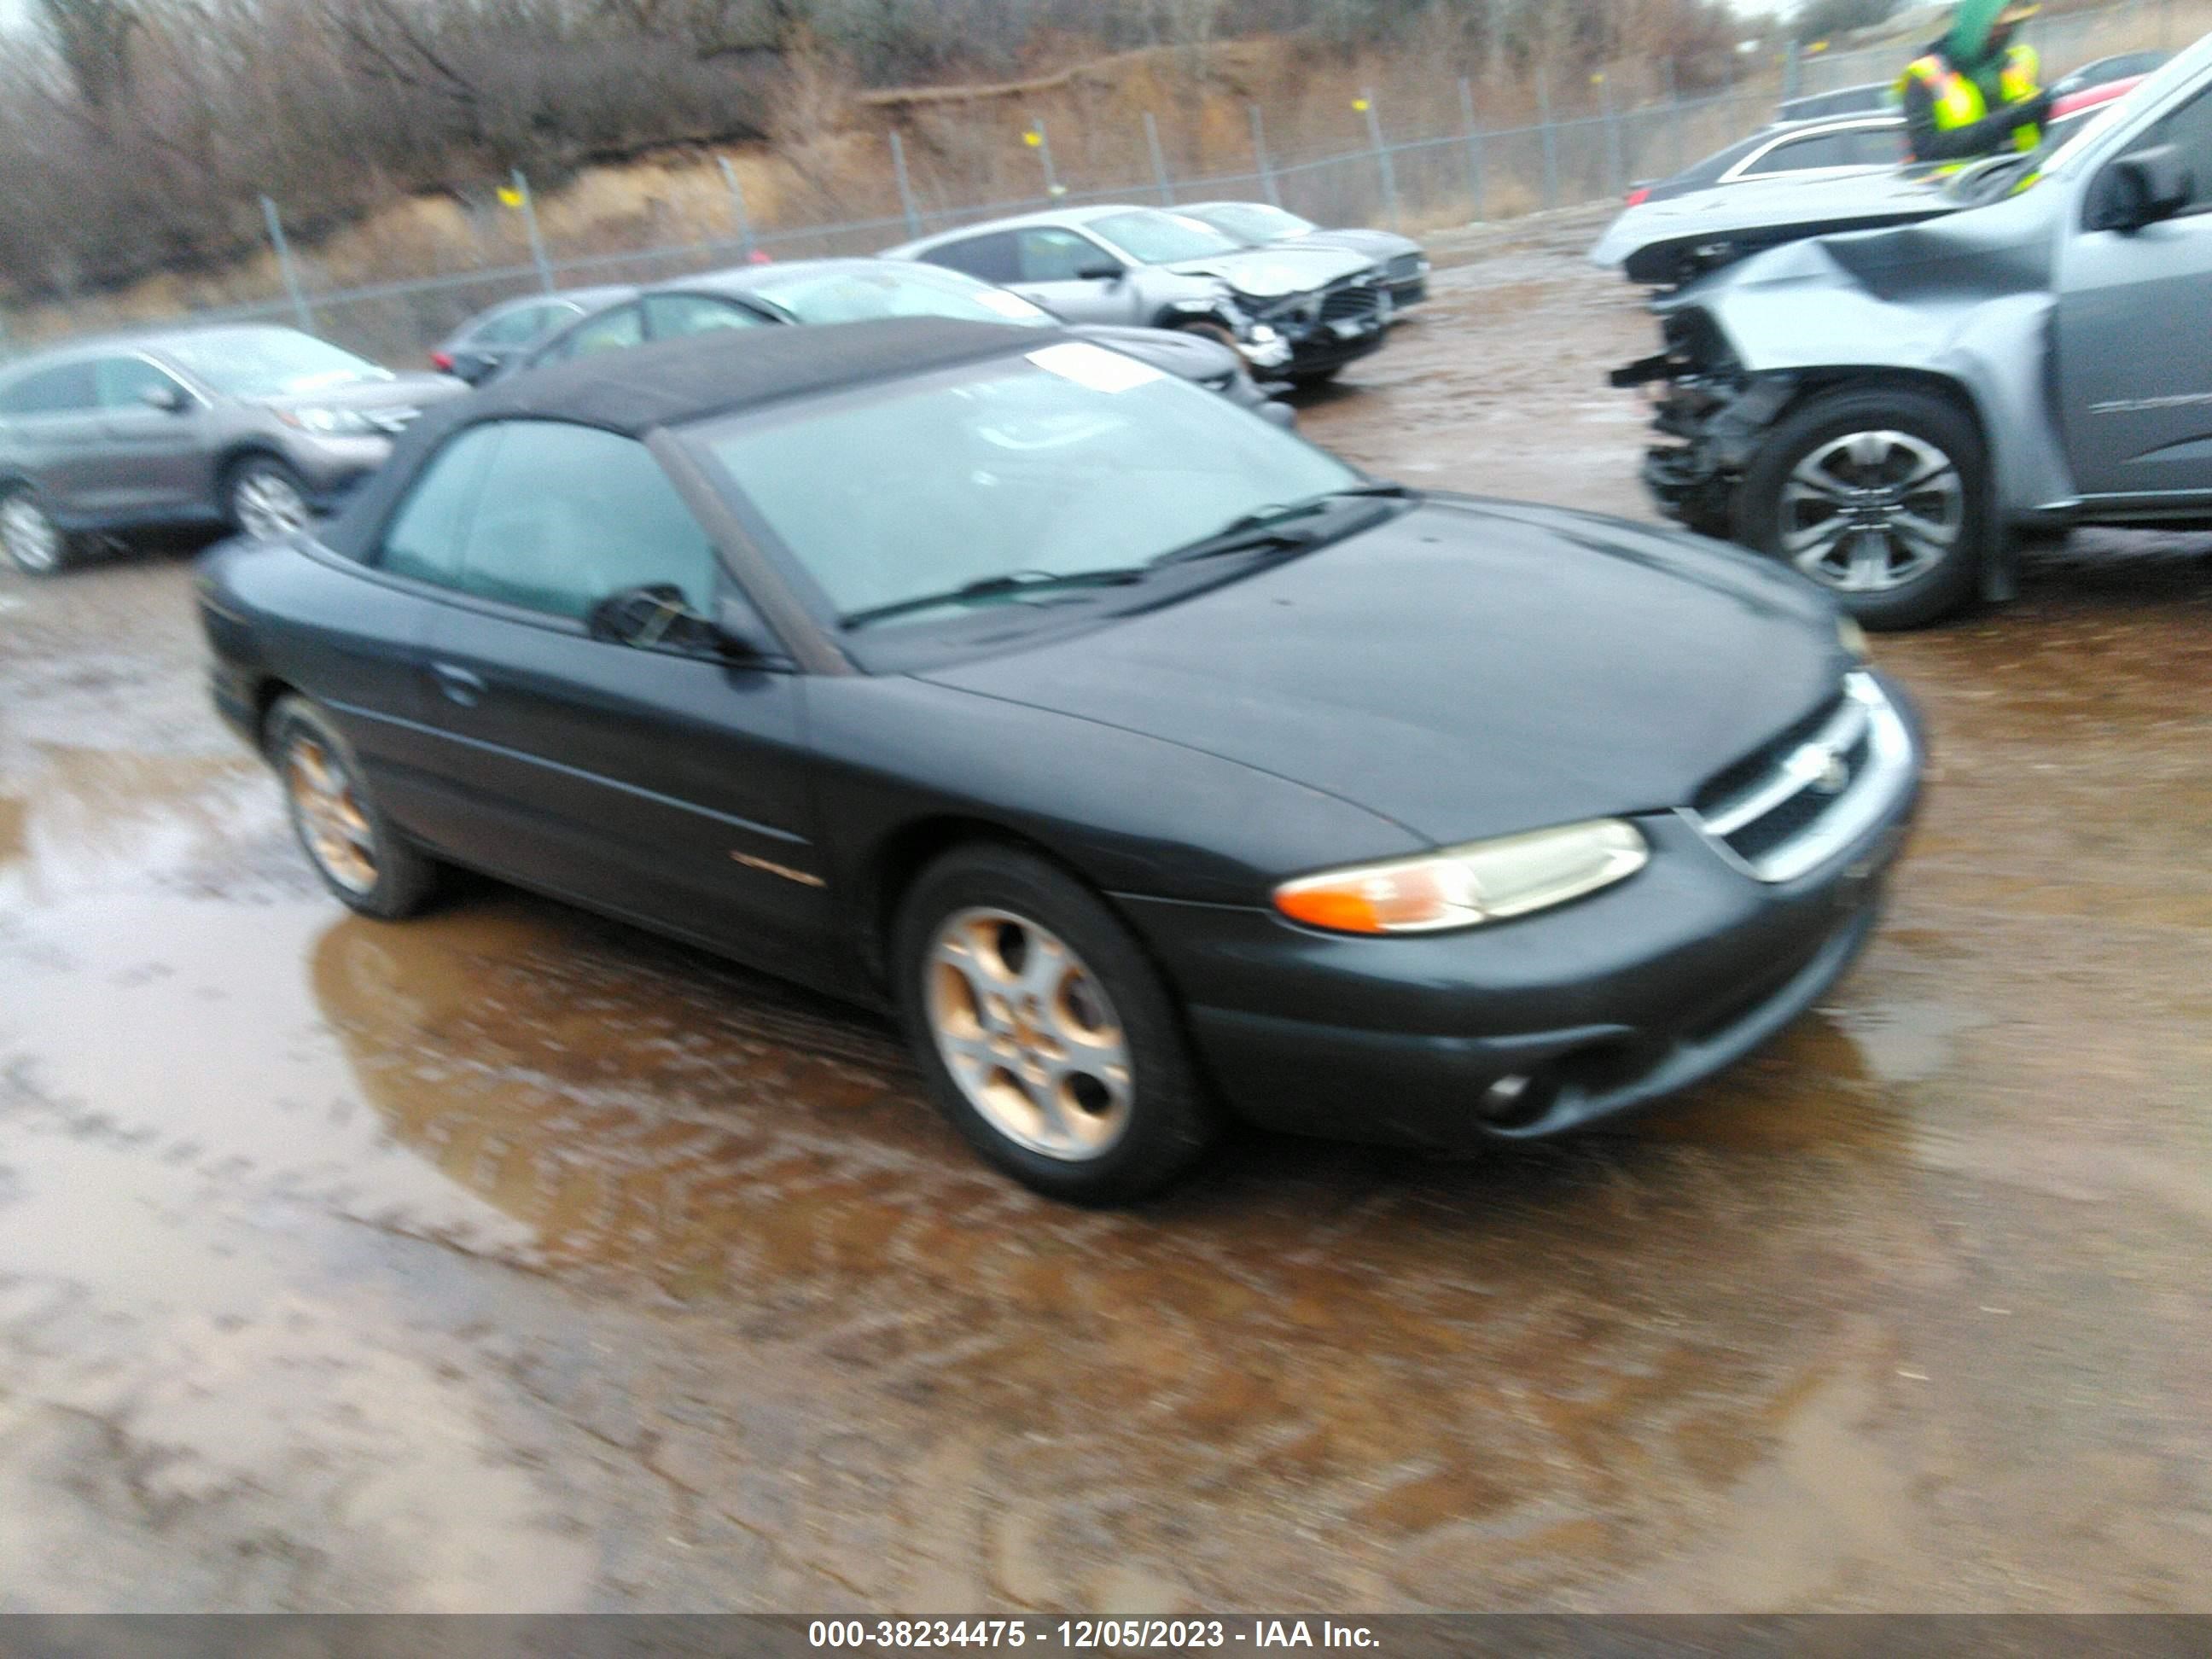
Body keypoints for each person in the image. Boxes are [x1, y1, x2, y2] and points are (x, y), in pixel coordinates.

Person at [1897, 0, 2052, 168]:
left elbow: (2044, 133)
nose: (2004, 32)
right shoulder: (1925, 74)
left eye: (2011, 25)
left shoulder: (2017, 64)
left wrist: (2045, 107)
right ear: (1975, 24)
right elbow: (1926, 149)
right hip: (1957, 189)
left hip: (2023, 183)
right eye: (1996, 26)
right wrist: (2009, 120)